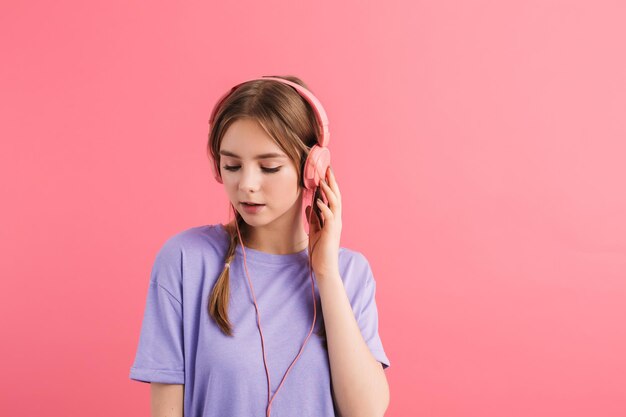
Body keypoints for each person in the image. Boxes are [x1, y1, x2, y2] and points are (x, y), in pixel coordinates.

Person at [129, 75, 391, 417]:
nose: (246, 185)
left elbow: (366, 412)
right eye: (232, 165)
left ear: (312, 168)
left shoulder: (349, 274)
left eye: (269, 167)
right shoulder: (184, 261)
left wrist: (325, 272)